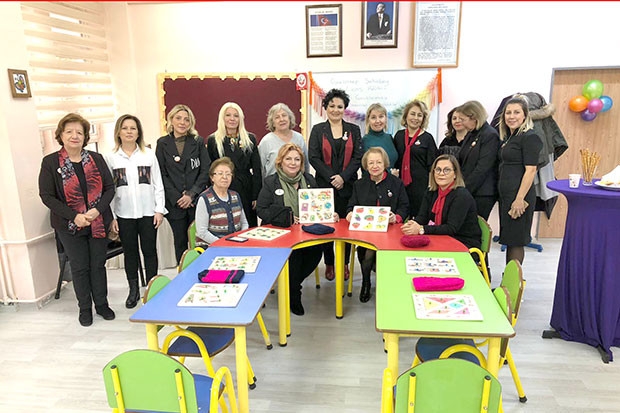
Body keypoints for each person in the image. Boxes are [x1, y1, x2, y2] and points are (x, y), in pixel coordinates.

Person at [38, 113, 116, 327]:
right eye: (69, 132)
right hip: (69, 226)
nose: (75, 136)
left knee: (97, 265)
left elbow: (110, 188)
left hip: (97, 222)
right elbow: (47, 196)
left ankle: (102, 304)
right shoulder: (50, 162)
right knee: (80, 267)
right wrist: (75, 216)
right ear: (61, 135)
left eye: (79, 132)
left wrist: (96, 211)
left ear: (85, 136)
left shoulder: (96, 159)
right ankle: (85, 308)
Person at [256, 143, 328, 316]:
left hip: (306, 231)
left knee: (316, 252)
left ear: (302, 163)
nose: (293, 163)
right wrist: (286, 218)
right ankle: (294, 293)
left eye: (297, 159)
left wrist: (327, 213)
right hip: (281, 234)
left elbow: (318, 205)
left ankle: (289, 284)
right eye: (288, 159)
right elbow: (261, 209)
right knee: (294, 257)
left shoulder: (309, 180)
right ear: (280, 161)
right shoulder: (271, 182)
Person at [105, 114, 166, 309]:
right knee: (130, 253)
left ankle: (152, 289)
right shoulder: (111, 158)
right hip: (124, 215)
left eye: (133, 128)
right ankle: (133, 291)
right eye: (125, 128)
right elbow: (109, 191)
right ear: (118, 132)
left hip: (148, 213)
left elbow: (158, 184)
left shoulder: (148, 155)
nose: (129, 132)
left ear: (138, 132)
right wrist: (113, 217)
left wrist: (159, 210)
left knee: (150, 251)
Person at [308, 88, 363, 282]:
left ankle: (345, 263)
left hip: (348, 187)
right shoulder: (317, 130)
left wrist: (343, 178)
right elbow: (313, 157)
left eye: (340, 106)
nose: (335, 110)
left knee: (346, 227)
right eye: (332, 106)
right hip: (324, 186)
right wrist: (333, 177)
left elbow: (358, 157)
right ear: (326, 107)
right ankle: (329, 263)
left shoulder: (354, 130)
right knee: (326, 226)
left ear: (344, 109)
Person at [346, 147, 408, 303]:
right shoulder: (359, 184)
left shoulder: (396, 183)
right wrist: (350, 213)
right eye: (371, 163)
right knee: (368, 251)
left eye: (379, 162)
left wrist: (396, 217)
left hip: (390, 231)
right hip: (366, 232)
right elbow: (351, 205)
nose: (375, 166)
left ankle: (376, 277)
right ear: (366, 166)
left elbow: (405, 206)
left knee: (371, 252)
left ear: (385, 163)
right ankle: (366, 282)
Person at [155, 104, 211, 265]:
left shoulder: (197, 142)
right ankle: (183, 274)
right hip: (175, 203)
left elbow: (205, 170)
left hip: (196, 201)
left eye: (186, 119)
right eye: (178, 118)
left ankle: (201, 271)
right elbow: (161, 174)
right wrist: (177, 197)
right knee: (179, 242)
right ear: (171, 120)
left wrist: (191, 194)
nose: (182, 122)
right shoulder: (162, 143)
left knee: (198, 242)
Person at [496, 97, 543, 265]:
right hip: (507, 196)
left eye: (516, 112)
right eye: (508, 112)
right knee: (510, 239)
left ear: (525, 115)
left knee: (516, 241)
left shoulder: (530, 137)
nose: (511, 116)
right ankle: (508, 278)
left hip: (519, 197)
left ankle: (513, 280)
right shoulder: (510, 137)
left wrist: (519, 199)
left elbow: (531, 170)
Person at [401, 154, 481, 250]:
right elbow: (422, 217)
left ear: (455, 174)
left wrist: (421, 229)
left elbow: (451, 228)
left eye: (447, 170)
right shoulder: (431, 192)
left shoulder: (462, 195)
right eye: (438, 170)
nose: (441, 173)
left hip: (464, 243)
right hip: (440, 238)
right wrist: (413, 224)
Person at [206, 102, 262, 228]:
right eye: (228, 115)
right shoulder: (213, 140)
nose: (232, 119)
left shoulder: (250, 139)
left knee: (248, 225)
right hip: (223, 188)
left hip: (246, 189)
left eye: (236, 116)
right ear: (222, 118)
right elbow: (210, 170)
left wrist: (256, 195)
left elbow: (257, 169)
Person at [453, 100, 501, 220]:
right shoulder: (471, 134)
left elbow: (482, 168)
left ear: (474, 117)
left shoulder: (490, 135)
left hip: (482, 193)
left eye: (463, 119)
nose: (461, 123)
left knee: (475, 226)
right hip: (468, 188)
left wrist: (465, 189)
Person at [393, 99, 437, 218]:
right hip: (401, 185)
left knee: (418, 217)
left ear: (423, 118)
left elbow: (433, 166)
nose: (415, 118)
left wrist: (431, 187)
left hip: (420, 186)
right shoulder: (399, 135)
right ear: (406, 115)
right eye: (412, 114)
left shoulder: (427, 138)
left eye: (419, 115)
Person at [195, 157, 248, 245]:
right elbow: (202, 232)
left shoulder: (235, 196)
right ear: (212, 177)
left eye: (228, 174)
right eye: (220, 173)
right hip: (211, 246)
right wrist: (223, 244)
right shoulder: (204, 199)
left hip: (235, 245)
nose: (224, 177)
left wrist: (241, 239)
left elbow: (244, 223)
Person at [258, 103, 309, 179]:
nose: (281, 119)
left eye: (284, 115)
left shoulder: (299, 138)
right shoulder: (266, 141)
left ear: (290, 118)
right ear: (273, 123)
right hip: (273, 184)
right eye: (277, 117)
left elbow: (305, 164)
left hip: (297, 183)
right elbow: (260, 169)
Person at [361, 103, 398, 175]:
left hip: (393, 180)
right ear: (368, 120)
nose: (378, 121)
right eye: (373, 117)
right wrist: (389, 173)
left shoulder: (389, 138)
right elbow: (367, 170)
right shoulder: (365, 141)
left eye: (381, 117)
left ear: (385, 118)